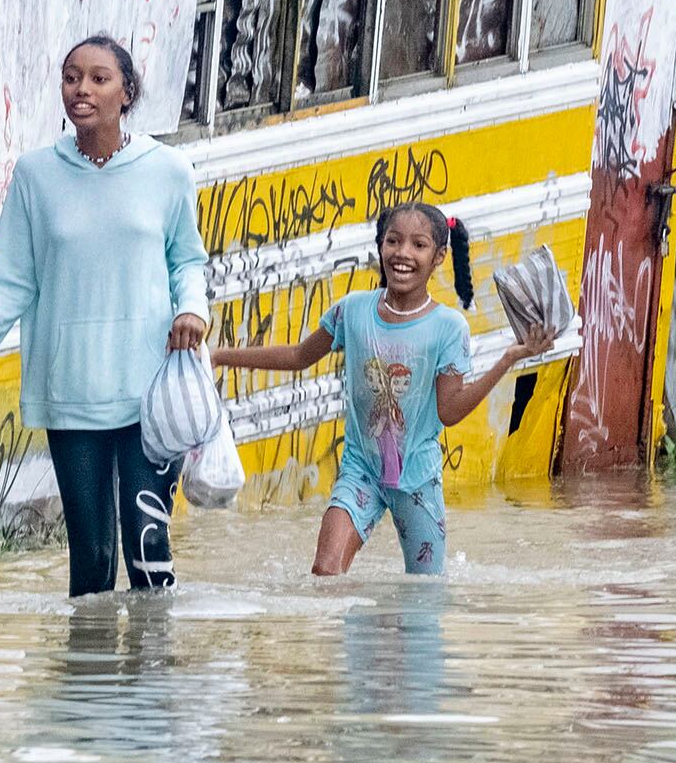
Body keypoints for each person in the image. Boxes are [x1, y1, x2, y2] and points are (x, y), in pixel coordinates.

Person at [0, 34, 208, 596]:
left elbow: (188, 262)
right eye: (71, 76)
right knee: (91, 557)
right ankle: (90, 680)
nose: (82, 89)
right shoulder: (36, 175)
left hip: (150, 392)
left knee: (149, 549)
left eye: (99, 78)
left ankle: (153, 680)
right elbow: (10, 286)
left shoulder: (168, 170)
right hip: (71, 390)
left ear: (127, 93)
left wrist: (192, 311)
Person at [214, 204, 552, 576]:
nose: (403, 253)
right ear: (380, 247)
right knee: (326, 573)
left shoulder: (449, 327)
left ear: (439, 256)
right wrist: (219, 356)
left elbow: (449, 411)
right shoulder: (353, 311)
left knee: (424, 596)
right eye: (393, 241)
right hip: (360, 471)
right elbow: (298, 356)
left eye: (418, 245)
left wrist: (507, 359)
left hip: (417, 480)